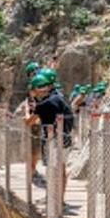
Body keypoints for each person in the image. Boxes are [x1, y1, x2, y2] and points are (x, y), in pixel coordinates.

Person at [26, 73, 74, 206]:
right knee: (61, 168)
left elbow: (29, 122)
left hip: (53, 141)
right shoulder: (59, 97)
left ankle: (53, 200)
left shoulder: (44, 104)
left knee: (53, 170)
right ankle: (59, 199)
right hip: (65, 138)